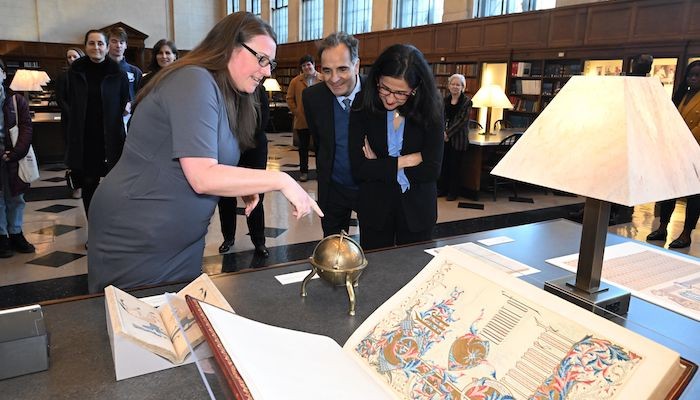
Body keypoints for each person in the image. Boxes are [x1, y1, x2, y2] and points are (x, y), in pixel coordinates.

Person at [87, 12, 322, 293]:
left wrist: (242, 185)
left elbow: (208, 160)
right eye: (261, 59)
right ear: (229, 47)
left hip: (179, 238)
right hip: (139, 231)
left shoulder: (227, 93)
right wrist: (281, 180)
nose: (267, 71)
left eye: (270, 62)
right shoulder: (193, 80)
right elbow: (202, 176)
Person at [349, 44, 444, 250]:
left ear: (416, 88)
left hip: (418, 209)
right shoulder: (362, 103)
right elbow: (359, 168)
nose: (390, 98)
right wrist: (407, 160)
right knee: (375, 272)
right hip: (375, 208)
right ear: (377, 79)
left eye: (401, 93)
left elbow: (431, 170)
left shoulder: (431, 107)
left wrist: (379, 166)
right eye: (384, 88)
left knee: (415, 271)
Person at [63, 30, 130, 222]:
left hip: (111, 138)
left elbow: (123, 101)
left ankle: (113, 229)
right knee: (89, 184)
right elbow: (69, 103)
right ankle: (94, 229)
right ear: (85, 46)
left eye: (100, 43)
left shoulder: (118, 73)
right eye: (91, 43)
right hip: (85, 140)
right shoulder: (75, 72)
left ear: (107, 47)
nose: (96, 47)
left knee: (114, 187)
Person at [302, 32, 363, 237]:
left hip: (371, 188)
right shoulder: (312, 97)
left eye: (342, 69)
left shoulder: (377, 93)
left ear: (356, 66)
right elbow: (320, 142)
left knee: (377, 249)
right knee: (332, 249)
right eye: (327, 70)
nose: (334, 79)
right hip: (333, 188)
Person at [646, 60, 700, 249]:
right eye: (690, 75)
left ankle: (686, 234)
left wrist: (682, 140)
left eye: (697, 75)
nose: (693, 79)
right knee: (668, 191)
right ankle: (663, 227)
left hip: (695, 152)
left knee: (694, 196)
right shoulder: (681, 95)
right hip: (675, 150)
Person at [218, 84, 270, 257]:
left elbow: (263, 120)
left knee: (255, 196)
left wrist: (246, 136)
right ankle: (228, 238)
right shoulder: (222, 87)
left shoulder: (259, 89)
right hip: (227, 144)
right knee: (225, 197)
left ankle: (259, 241)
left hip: (254, 146)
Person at [0, 58, 35, 257]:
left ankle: (16, 232)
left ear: (4, 74)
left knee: (16, 196)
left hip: (14, 157)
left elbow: (26, 128)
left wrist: (16, 152)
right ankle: (1, 235)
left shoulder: (16, 100)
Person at [54, 47, 85, 199]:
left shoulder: (87, 74)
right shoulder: (63, 76)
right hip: (70, 121)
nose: (72, 59)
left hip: (88, 120)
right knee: (74, 155)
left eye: (75, 56)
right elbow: (60, 99)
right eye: (69, 57)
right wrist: (73, 115)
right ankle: (77, 186)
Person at [286, 54, 321, 182]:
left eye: (308, 64)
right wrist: (296, 112)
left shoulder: (322, 79)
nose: (307, 67)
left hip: (319, 121)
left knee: (320, 148)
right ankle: (304, 172)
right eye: (304, 65)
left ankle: (320, 171)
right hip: (302, 120)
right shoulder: (296, 81)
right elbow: (289, 98)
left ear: (313, 64)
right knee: (303, 148)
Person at [439, 73, 472, 201]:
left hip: (458, 139)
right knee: (444, 165)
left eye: (458, 85)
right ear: (448, 86)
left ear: (462, 87)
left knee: (455, 167)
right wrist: (442, 132)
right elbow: (440, 117)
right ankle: (442, 189)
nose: (455, 86)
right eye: (453, 84)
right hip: (444, 138)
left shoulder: (467, 102)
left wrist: (448, 133)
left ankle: (453, 192)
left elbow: (461, 120)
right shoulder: (444, 100)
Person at [108, 27, 142, 126]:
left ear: (126, 45)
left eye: (122, 42)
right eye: (114, 41)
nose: (118, 45)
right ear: (107, 43)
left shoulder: (135, 72)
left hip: (130, 118)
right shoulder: (99, 69)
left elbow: (141, 95)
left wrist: (130, 104)